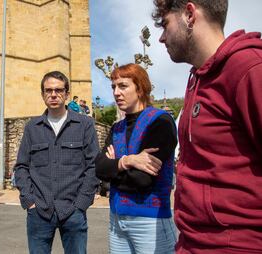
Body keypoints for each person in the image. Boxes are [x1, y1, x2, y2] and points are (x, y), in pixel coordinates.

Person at [152, 0, 262, 252]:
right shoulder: (197, 79)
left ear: (189, 14)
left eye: (165, 24)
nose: (161, 37)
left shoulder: (250, 68)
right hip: (192, 242)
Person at [14, 71, 100, 254]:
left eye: (58, 90)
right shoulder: (32, 128)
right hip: (39, 212)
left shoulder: (84, 125)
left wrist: (82, 202)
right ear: (42, 94)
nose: (53, 94)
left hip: (73, 211)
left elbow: (93, 165)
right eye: (48, 90)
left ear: (67, 93)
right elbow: (21, 166)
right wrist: (29, 201)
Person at [95, 63, 178, 253]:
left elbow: (143, 180)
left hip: (149, 221)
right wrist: (128, 161)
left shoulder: (160, 121)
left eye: (123, 86)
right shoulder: (117, 128)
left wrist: (113, 167)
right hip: (116, 220)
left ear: (140, 88)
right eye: (113, 87)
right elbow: (98, 168)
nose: (116, 92)